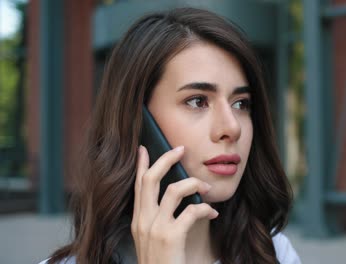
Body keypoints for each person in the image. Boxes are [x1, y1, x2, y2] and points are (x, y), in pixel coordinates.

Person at [40, 7, 301, 264]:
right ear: (139, 122)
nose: (232, 128)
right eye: (198, 101)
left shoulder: (276, 252)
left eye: (240, 103)